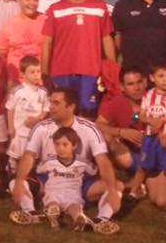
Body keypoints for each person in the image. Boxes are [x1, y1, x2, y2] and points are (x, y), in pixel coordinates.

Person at [9, 88, 121, 234]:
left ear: (71, 107)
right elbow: (28, 155)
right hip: (48, 179)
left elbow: (103, 160)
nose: (50, 107)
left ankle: (101, 220)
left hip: (81, 181)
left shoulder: (89, 128)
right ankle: (31, 212)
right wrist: (19, 181)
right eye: (50, 102)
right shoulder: (41, 127)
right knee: (15, 182)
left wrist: (111, 190)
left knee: (117, 186)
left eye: (56, 103)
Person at [41, 0, 116, 118]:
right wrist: (45, 72)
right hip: (61, 72)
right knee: (62, 116)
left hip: (91, 72)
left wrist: (112, 71)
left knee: (88, 116)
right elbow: (47, 42)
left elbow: (106, 39)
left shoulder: (100, 7)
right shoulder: (56, 9)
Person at [96, 65, 165, 202]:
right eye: (130, 84)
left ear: (146, 82)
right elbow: (98, 124)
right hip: (132, 157)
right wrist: (121, 132)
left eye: (139, 82)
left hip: (155, 160)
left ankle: (136, 183)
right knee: (105, 137)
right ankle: (127, 181)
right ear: (122, 87)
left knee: (163, 201)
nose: (136, 88)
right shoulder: (117, 102)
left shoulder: (160, 100)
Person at [132, 61, 166, 211]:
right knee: (143, 166)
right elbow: (141, 116)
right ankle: (132, 193)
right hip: (149, 138)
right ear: (152, 78)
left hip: (165, 139)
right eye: (161, 76)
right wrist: (149, 120)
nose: (165, 80)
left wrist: (164, 120)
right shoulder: (148, 95)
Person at [34, 127, 100, 230]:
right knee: (53, 203)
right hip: (54, 191)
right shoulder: (49, 162)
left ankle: (79, 218)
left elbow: (94, 172)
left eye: (65, 144)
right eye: (57, 144)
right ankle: (54, 214)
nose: (60, 148)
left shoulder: (83, 163)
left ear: (74, 145)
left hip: (73, 192)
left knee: (74, 207)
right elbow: (38, 170)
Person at [5, 55, 50, 176]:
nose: (36, 75)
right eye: (32, 72)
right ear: (23, 74)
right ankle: (12, 175)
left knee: (31, 156)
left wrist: (38, 119)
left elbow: (46, 109)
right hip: (19, 131)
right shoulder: (17, 91)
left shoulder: (43, 92)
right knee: (15, 156)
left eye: (38, 71)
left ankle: (30, 177)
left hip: (34, 132)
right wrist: (11, 127)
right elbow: (10, 109)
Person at [0, 0, 47, 81]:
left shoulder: (45, 20)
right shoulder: (8, 25)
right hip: (16, 81)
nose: (32, 3)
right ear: (18, 0)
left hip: (40, 81)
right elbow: (1, 54)